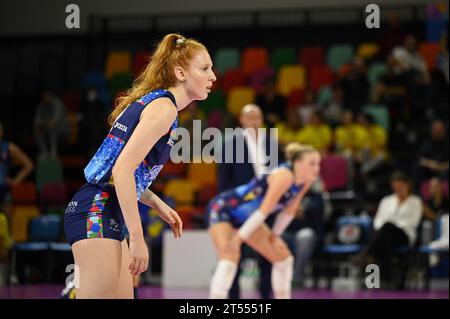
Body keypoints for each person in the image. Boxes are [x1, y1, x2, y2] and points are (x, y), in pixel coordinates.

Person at [63, 33, 216, 298]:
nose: (213, 76)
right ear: (180, 73)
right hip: (96, 209)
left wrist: (157, 204)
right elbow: (122, 170)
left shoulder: (153, 102)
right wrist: (137, 236)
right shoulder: (164, 109)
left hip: (105, 209)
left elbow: (116, 172)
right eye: (204, 68)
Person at [207, 143, 321, 299]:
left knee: (283, 257)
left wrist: (275, 235)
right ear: (298, 163)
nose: (317, 169)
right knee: (230, 254)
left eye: (318, 163)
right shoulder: (284, 176)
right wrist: (238, 239)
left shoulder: (305, 181)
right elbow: (263, 211)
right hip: (223, 209)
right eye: (312, 163)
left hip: (248, 217)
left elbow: (289, 211)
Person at [218, 104, 278, 299]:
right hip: (239, 209)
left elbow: (278, 177)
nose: (253, 122)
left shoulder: (271, 144)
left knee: (268, 256)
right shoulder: (230, 144)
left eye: (257, 118)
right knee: (235, 253)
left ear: (262, 120)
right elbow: (224, 181)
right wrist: (229, 210)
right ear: (241, 120)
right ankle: (233, 298)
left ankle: (266, 296)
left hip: (266, 208)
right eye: (249, 118)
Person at [352, 171, 422, 288]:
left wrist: (392, 225)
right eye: (396, 187)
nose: (398, 189)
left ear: (407, 185)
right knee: (385, 236)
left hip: (404, 234)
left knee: (387, 228)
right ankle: (388, 279)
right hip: (384, 235)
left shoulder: (416, 201)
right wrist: (385, 228)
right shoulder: (386, 200)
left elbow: (412, 223)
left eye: (400, 186)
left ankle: (366, 254)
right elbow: (378, 220)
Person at [0, 121, 34, 233]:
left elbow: (28, 165)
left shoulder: (9, 148)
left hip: (4, 192)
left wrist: (15, 181)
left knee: (8, 226)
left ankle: (8, 249)